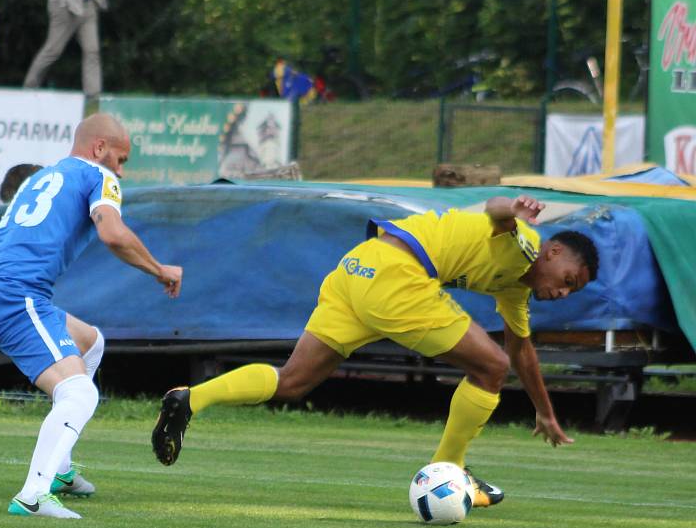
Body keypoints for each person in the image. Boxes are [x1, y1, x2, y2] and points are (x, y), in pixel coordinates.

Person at [152, 195, 599, 507]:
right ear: (553, 251)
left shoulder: (515, 293)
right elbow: (496, 212)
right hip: (397, 276)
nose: (563, 292)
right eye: (567, 279)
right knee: (489, 367)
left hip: (357, 268)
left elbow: (523, 351)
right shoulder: (524, 244)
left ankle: (189, 399)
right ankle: (449, 469)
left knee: (292, 382)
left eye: (571, 291)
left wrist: (545, 412)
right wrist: (515, 208)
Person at [0, 113, 183, 519]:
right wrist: (160, 270)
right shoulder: (99, 176)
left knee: (90, 342)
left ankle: (60, 471)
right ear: (99, 148)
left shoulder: (40, 177)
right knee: (80, 392)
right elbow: (112, 233)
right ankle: (33, 497)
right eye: (120, 159)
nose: (121, 170)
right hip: (18, 299)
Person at [23, 0, 107, 98]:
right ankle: (29, 88)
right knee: (53, 50)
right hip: (66, 7)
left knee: (92, 50)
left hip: (89, 5)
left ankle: (93, 96)